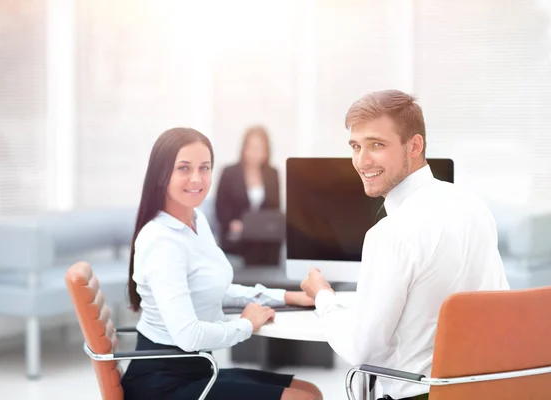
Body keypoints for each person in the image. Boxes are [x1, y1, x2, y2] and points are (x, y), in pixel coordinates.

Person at [300, 90, 509, 400]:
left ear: (414, 145)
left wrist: (323, 297)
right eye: (356, 146)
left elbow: (361, 349)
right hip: (493, 389)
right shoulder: (473, 205)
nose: (361, 161)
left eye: (376, 145)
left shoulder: (391, 233)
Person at [121, 127, 322, 400]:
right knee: (305, 399)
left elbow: (216, 287)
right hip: (163, 383)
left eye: (204, 168)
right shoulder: (162, 242)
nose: (197, 178)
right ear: (161, 174)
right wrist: (245, 326)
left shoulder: (195, 221)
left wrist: (287, 296)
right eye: (184, 168)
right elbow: (188, 336)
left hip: (199, 368)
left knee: (309, 391)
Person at [215, 125, 282, 266]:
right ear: (244, 148)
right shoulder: (229, 173)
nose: (256, 153)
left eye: (260, 149)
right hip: (237, 238)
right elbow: (221, 208)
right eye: (252, 148)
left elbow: (275, 210)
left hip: (265, 240)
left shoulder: (272, 173)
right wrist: (233, 224)